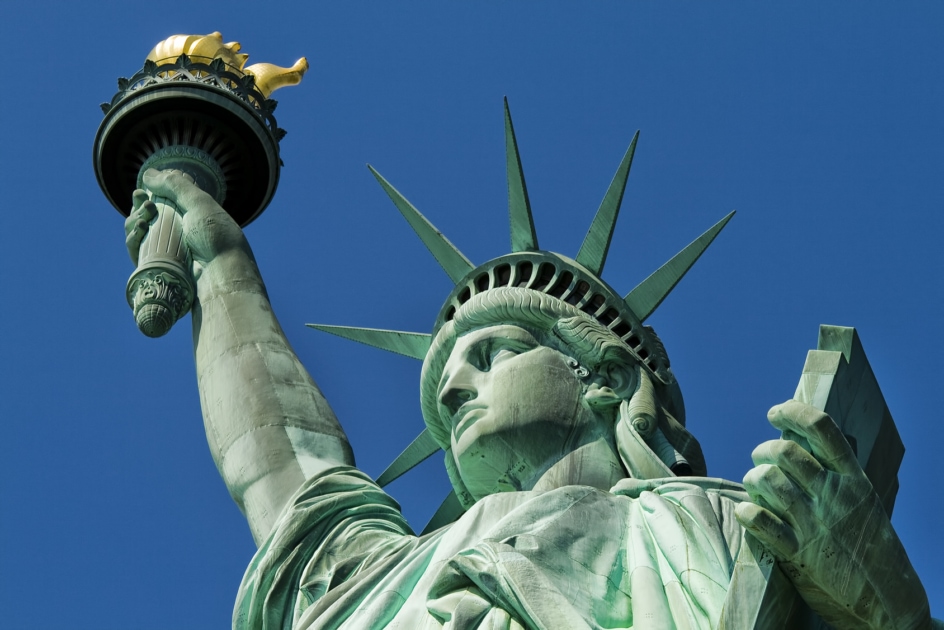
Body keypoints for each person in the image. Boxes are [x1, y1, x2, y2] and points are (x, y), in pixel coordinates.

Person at [125, 168, 935, 629]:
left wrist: (876, 594)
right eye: (448, 384)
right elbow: (285, 471)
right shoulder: (396, 574)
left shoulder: (725, 524)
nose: (452, 386)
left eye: (491, 353)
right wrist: (221, 270)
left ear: (606, 378)